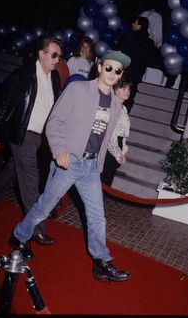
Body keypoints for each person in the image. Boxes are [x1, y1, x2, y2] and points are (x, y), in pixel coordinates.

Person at [10, 50, 132, 283]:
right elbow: (55, 121)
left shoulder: (116, 106)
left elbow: (108, 138)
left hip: (90, 167)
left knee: (97, 216)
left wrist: (114, 155)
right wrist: (60, 150)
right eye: (109, 67)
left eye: (117, 70)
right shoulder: (78, 90)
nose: (112, 73)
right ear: (99, 67)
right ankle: (19, 236)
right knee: (45, 207)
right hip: (70, 162)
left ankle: (101, 262)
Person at [0, 36, 63, 256]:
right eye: (53, 55)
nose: (57, 60)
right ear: (41, 54)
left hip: (39, 138)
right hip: (20, 135)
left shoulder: (54, 78)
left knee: (11, 172)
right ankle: (36, 230)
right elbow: (2, 106)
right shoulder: (21, 75)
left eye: (59, 56)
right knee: (30, 183)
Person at [118, 16, 158, 113]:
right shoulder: (149, 42)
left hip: (124, 72)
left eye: (135, 23)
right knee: (129, 97)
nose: (132, 24)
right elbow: (151, 60)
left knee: (117, 95)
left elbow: (119, 51)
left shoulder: (129, 36)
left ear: (140, 25)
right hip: (136, 76)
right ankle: (124, 117)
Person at [101, 75, 132, 186]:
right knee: (102, 182)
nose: (127, 91)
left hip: (116, 147)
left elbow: (123, 136)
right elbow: (110, 136)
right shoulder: (112, 105)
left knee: (107, 182)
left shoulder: (123, 108)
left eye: (128, 89)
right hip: (108, 148)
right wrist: (118, 154)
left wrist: (123, 152)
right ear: (115, 89)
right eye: (123, 88)